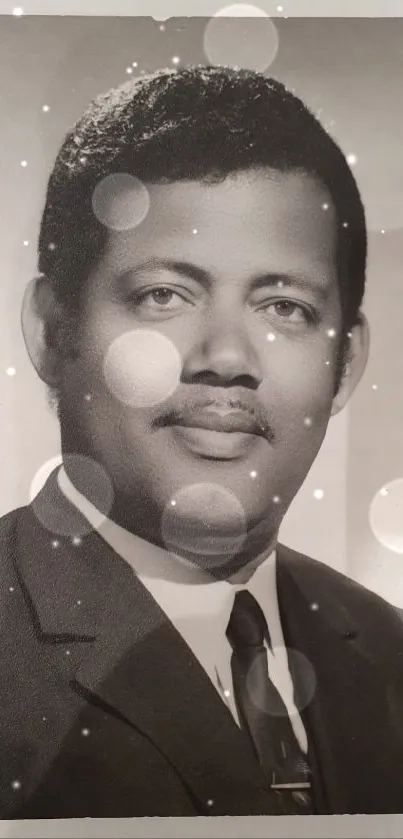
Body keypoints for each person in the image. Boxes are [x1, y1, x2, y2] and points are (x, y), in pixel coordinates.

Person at [1, 64, 403, 819]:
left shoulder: (387, 652)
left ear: (344, 362)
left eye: (282, 306)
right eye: (164, 295)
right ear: (53, 332)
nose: (226, 356)